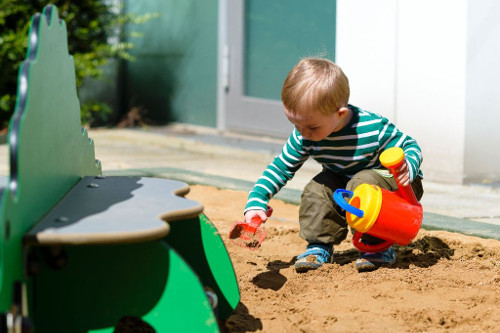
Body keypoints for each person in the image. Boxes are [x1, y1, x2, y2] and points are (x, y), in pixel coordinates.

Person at [243, 58, 424, 273]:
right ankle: (319, 246)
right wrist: (257, 200)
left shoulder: (371, 128)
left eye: (311, 126)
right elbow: (281, 167)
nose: (303, 132)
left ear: (340, 114)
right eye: (295, 124)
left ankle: (378, 246)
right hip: (346, 183)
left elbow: (410, 145)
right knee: (318, 188)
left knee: (362, 182)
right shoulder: (304, 136)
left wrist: (408, 167)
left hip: (397, 188)